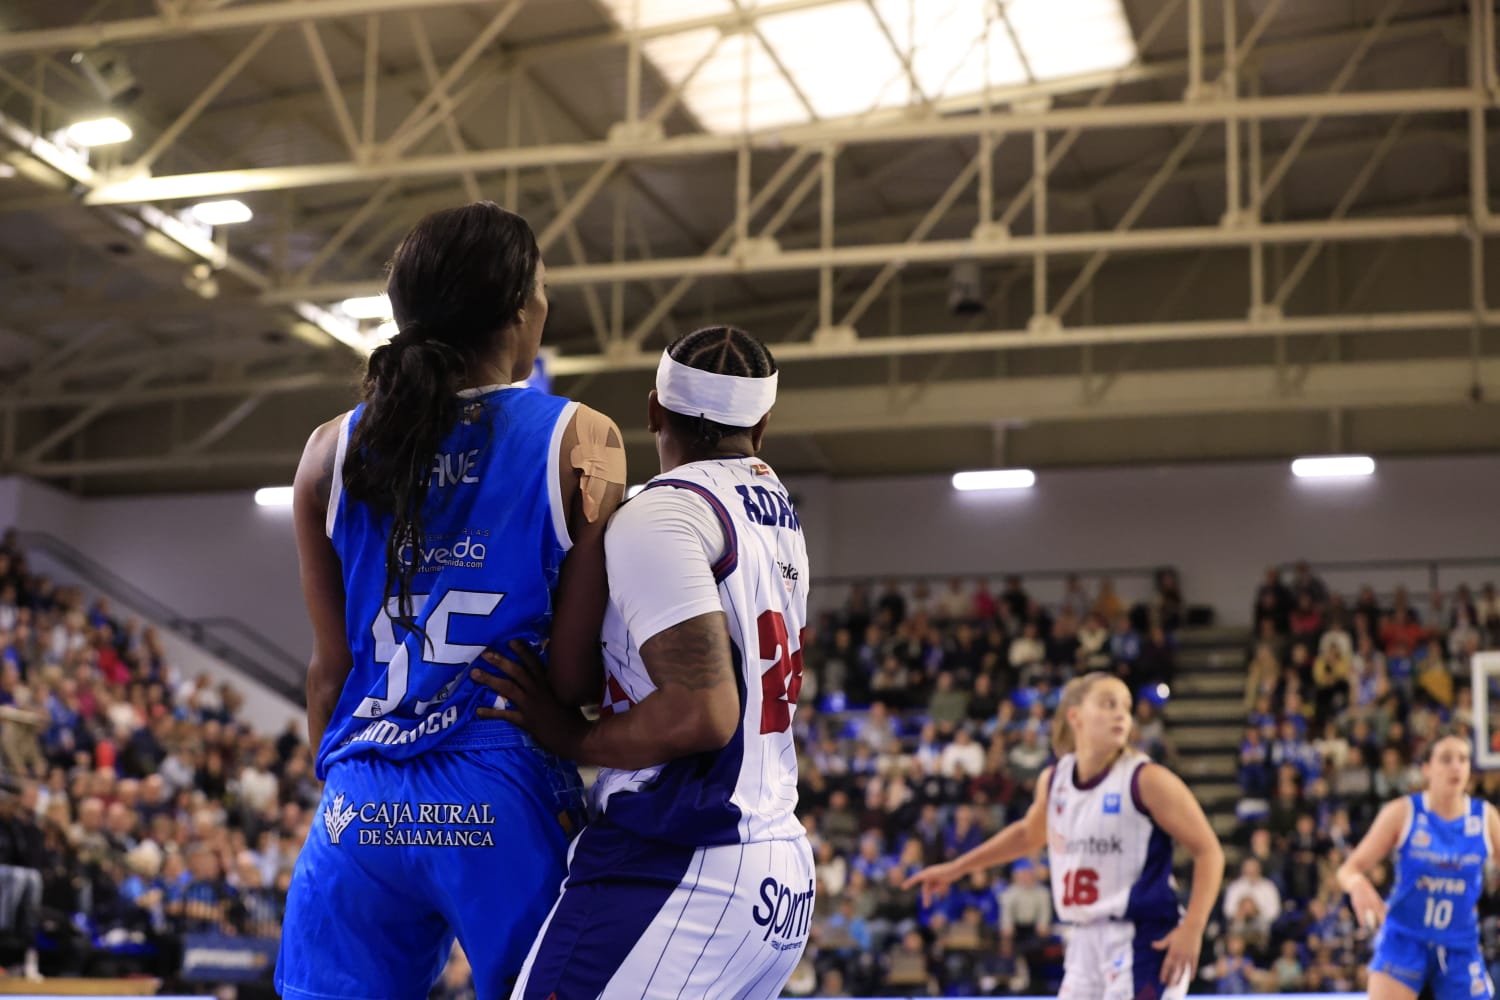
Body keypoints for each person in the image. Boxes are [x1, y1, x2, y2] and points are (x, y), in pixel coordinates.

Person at [274, 202, 626, 1000]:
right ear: (519, 310)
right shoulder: (583, 437)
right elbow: (571, 680)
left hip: (359, 798)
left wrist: (352, 795)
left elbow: (328, 672)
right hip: (500, 786)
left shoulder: (327, 449)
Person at [473, 326, 814, 999]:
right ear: (764, 425)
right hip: (772, 870)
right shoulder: (776, 513)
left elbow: (702, 711)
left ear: (654, 408)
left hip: (682, 859)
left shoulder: (662, 515)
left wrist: (573, 737)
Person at [904, 672, 1225, 1000]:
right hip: (1084, 940)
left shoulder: (1147, 779)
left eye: (1125, 708)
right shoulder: (1054, 780)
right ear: (1075, 716)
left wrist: (1194, 927)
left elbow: (1209, 851)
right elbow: (1027, 835)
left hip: (1143, 937)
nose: (1121, 715)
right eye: (1108, 704)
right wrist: (955, 869)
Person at [1336, 730, 1500, 1000]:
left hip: (1459, 946)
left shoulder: (1485, 817)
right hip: (1405, 941)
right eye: (1446, 759)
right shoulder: (1403, 812)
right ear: (1426, 768)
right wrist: (1357, 884)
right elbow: (1348, 869)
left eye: (1463, 759)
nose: (1456, 766)